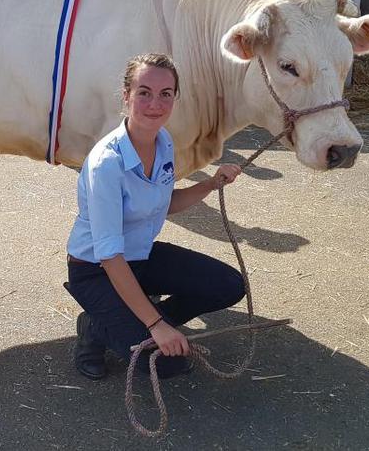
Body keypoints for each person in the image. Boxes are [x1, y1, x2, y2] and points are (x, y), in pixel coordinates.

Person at [65, 53, 245, 380]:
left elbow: (163, 203)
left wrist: (209, 184)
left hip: (140, 257)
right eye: (144, 92)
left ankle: (135, 322)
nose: (155, 104)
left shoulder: (163, 142)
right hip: (96, 269)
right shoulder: (106, 163)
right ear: (126, 95)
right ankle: (95, 326)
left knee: (229, 286)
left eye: (165, 94)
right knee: (167, 364)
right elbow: (109, 255)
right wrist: (157, 324)